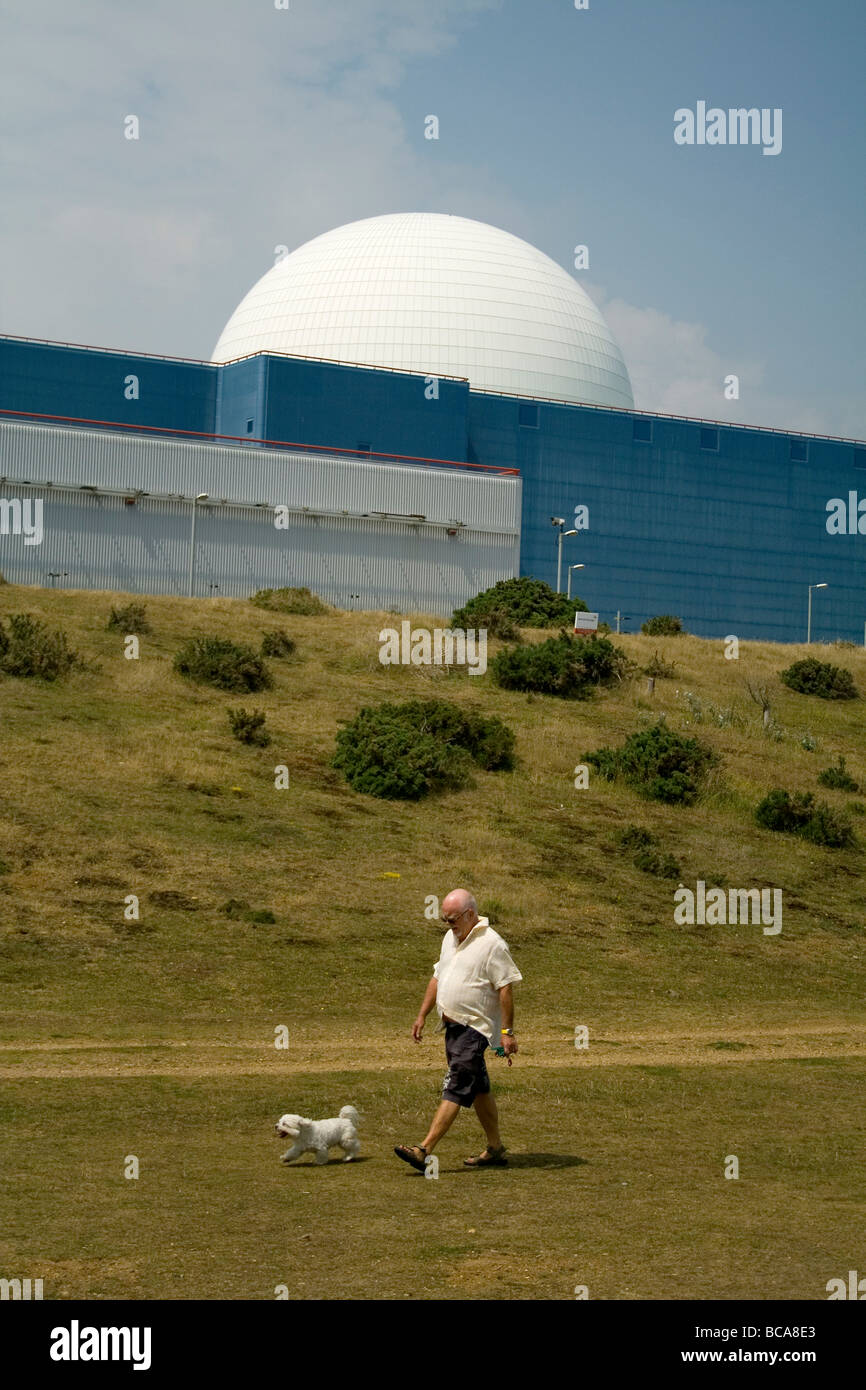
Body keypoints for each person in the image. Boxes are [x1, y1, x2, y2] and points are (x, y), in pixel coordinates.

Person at [394, 888, 522, 1171]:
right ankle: (496, 1148)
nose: (448, 925)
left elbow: (506, 988)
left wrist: (507, 1032)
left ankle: (424, 1149)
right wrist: (422, 1015)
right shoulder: (450, 939)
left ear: (470, 914)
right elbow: (438, 977)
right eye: (445, 919)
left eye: (452, 919)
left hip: (474, 1029)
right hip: (451, 1028)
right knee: (478, 1088)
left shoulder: (492, 944)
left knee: (458, 1082)